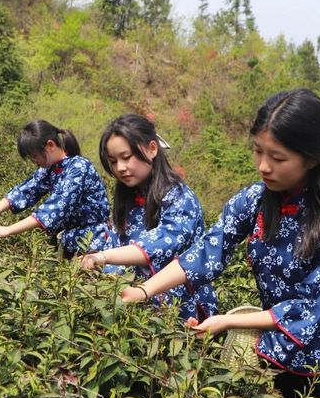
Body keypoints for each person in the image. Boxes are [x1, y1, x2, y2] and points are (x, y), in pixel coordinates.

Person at [120, 90, 320, 398]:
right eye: (258, 151)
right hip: (277, 349)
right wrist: (145, 290)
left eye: (278, 157)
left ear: (314, 157)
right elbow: (207, 251)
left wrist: (227, 321)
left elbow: (309, 307)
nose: (263, 166)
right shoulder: (254, 199)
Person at [80, 114, 218, 321]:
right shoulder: (128, 196)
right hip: (133, 300)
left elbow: (158, 245)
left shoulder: (179, 197)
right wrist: (89, 256)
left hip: (178, 309)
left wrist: (103, 257)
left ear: (152, 149)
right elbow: (113, 238)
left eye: (126, 157)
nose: (120, 168)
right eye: (113, 161)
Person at [0, 120, 111, 258]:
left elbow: (55, 208)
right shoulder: (49, 169)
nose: (34, 161)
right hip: (69, 240)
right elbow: (25, 191)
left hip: (93, 241)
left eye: (34, 156)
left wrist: (7, 230)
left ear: (50, 145)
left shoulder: (79, 167)